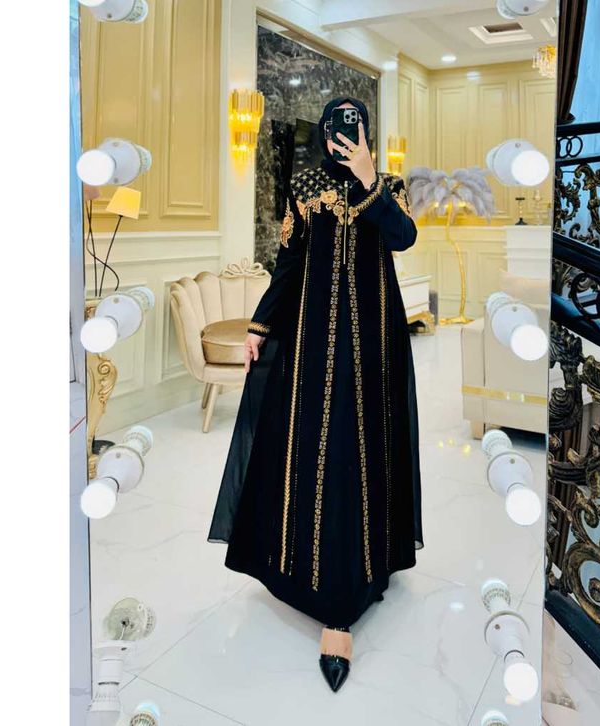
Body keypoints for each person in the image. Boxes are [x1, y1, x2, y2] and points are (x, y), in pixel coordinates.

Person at [208, 96, 423, 693]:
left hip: (372, 350)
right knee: (314, 459)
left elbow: (403, 238)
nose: (343, 139)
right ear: (325, 134)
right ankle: (303, 576)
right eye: (336, 130)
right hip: (311, 349)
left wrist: (369, 179)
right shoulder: (305, 186)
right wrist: (258, 326)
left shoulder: (389, 186)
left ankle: (347, 599)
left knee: (359, 460)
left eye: (354, 130)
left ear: (366, 134)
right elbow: (289, 263)